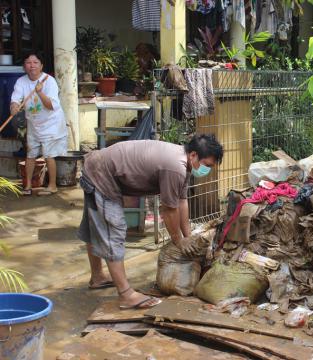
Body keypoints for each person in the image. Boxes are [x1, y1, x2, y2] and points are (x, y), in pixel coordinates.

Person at [78, 135, 223, 309]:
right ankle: (126, 295)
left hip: (99, 167)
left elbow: (182, 201)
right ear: (193, 155)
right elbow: (169, 210)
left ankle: (98, 277)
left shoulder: (183, 164)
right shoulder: (175, 168)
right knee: (113, 231)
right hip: (101, 174)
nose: (207, 170)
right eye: (207, 165)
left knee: (94, 226)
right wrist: (178, 241)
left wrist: (188, 236)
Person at [10, 53, 68, 196]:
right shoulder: (21, 81)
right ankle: (28, 185)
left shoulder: (50, 81)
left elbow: (50, 106)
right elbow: (15, 100)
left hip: (51, 122)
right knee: (30, 154)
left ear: (41, 65)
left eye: (35, 62)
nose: (32, 65)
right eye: (28, 62)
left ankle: (52, 186)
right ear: (24, 66)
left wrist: (40, 92)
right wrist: (14, 108)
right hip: (34, 122)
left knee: (49, 154)